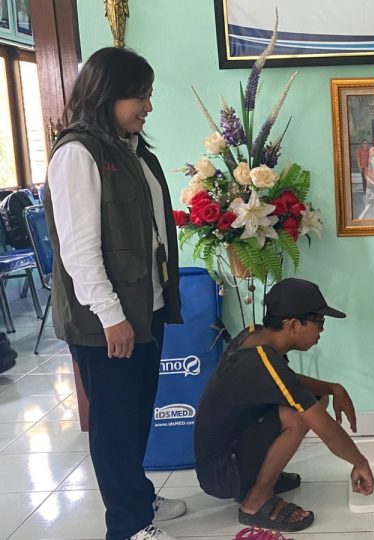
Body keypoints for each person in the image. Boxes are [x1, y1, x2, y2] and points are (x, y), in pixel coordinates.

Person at [44, 47, 186, 540]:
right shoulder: (77, 154)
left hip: (142, 309)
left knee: (137, 413)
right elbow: (79, 251)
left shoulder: (131, 149)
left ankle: (138, 498)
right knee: (115, 425)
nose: (147, 107)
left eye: (149, 96)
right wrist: (110, 315)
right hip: (104, 321)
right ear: (107, 95)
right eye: (139, 96)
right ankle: (127, 527)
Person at [193, 278, 374, 533]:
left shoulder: (255, 336)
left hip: (228, 452)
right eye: (319, 323)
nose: (321, 331)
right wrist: (360, 462)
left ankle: (262, 476)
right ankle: (255, 501)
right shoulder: (259, 361)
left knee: (314, 398)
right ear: (292, 325)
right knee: (300, 415)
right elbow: (326, 430)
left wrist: (333, 388)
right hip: (223, 472)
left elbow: (287, 383)